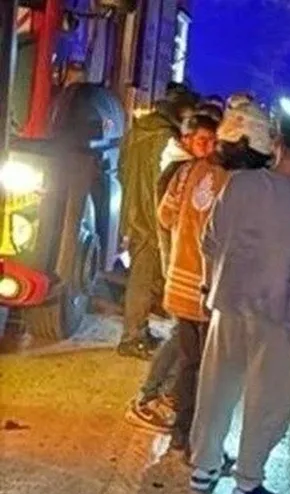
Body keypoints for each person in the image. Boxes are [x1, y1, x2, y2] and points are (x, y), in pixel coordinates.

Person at [188, 112, 290, 494]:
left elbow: (209, 242)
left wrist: (208, 289)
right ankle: (248, 484)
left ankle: (203, 466)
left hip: (227, 303)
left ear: (277, 143)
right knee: (269, 399)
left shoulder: (238, 184)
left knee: (216, 388)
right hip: (276, 314)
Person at [159, 102, 276, 452]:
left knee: (189, 364)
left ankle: (181, 433)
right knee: (218, 374)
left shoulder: (185, 172)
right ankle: (203, 445)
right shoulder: (244, 185)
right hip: (218, 296)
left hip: (181, 289)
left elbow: (165, 217)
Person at [124, 110, 222, 434]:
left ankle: (163, 397)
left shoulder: (186, 169)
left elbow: (167, 217)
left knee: (184, 341)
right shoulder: (186, 171)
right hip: (186, 275)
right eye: (203, 140)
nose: (209, 147)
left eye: (213, 141)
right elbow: (164, 218)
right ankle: (149, 398)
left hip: (184, 273)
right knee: (183, 341)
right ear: (187, 139)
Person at [117, 87, 197, 358]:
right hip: (152, 217)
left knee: (141, 274)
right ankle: (132, 337)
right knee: (143, 277)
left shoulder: (139, 130)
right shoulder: (165, 138)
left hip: (134, 210)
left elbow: (122, 168)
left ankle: (138, 330)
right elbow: (163, 182)